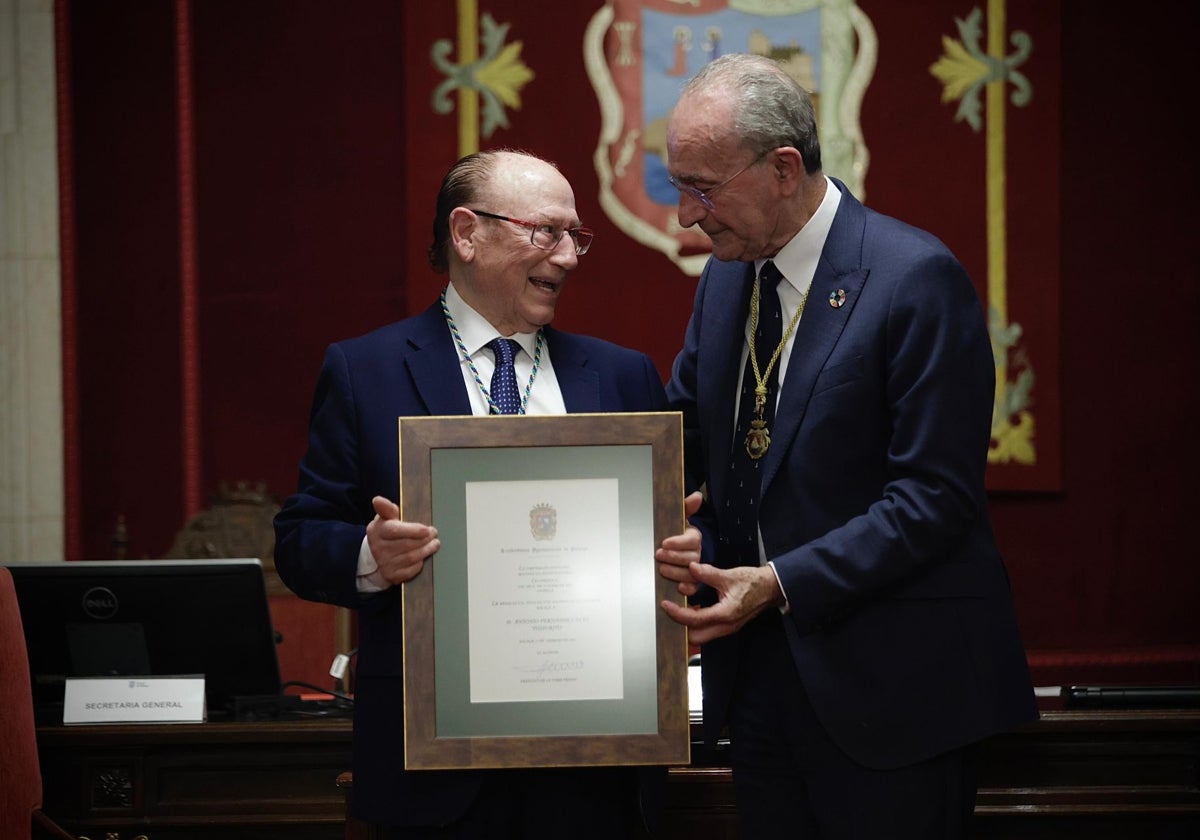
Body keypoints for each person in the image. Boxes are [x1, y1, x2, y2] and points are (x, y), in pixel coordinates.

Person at [653, 53, 1038, 837]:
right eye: (678, 188)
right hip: (759, 684)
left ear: (783, 168)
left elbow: (935, 498)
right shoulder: (726, 281)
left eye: (703, 189)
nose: (686, 216)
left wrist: (778, 581)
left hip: (895, 693)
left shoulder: (914, 279)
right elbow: (688, 438)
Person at [275, 149, 699, 838]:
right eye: (546, 232)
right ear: (467, 233)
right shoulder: (366, 370)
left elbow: (677, 536)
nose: (567, 256)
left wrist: (684, 550)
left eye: (576, 237)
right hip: (437, 774)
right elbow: (298, 540)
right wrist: (371, 555)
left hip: (596, 769)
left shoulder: (623, 376)